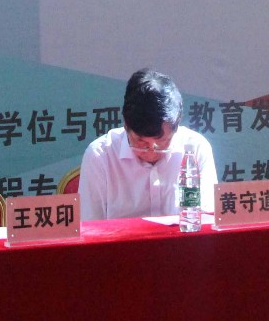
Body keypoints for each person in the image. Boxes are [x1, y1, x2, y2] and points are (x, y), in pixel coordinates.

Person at [78, 68, 218, 221]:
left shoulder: (196, 149)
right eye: (141, 142)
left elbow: (207, 220)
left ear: (176, 127)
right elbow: (89, 225)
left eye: (162, 142)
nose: (151, 152)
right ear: (126, 124)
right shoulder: (101, 156)